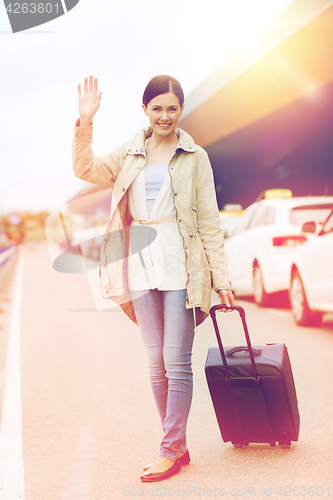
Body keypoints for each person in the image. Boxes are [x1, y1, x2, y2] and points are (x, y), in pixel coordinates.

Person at [72, 74, 234, 482]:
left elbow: (210, 222)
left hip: (181, 264)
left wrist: (222, 277)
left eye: (172, 108)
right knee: (155, 364)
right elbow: (85, 169)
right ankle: (176, 445)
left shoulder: (194, 156)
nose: (165, 115)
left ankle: (168, 449)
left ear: (181, 110)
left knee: (176, 363)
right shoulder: (130, 152)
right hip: (140, 263)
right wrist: (84, 122)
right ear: (145, 110)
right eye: (157, 108)